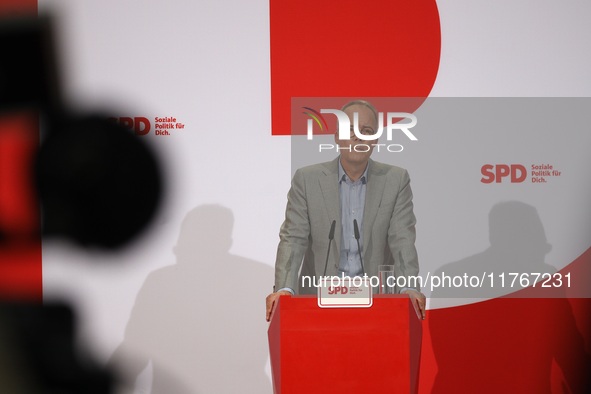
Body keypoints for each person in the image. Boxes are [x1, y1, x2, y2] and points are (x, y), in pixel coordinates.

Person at [266, 100, 426, 321]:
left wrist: (409, 287)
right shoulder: (307, 179)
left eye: (366, 130)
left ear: (375, 139)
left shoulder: (395, 180)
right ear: (336, 136)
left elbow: (402, 239)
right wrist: (285, 289)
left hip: (376, 304)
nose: (358, 136)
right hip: (319, 302)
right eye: (350, 130)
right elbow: (293, 238)